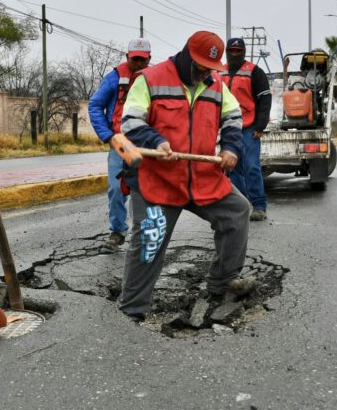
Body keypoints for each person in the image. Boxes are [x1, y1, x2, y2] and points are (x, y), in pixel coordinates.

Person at [117, 31, 255, 320]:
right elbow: (130, 122)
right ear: (187, 55)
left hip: (203, 178)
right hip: (159, 181)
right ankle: (132, 308)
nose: (206, 72)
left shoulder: (216, 85)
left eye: (211, 68)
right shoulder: (150, 80)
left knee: (238, 211)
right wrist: (156, 141)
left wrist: (231, 147)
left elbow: (232, 118)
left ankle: (222, 281)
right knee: (149, 240)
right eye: (202, 65)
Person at [88, 38, 152, 250]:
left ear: (149, 59)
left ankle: (146, 233)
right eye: (135, 59)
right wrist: (107, 135)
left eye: (143, 60)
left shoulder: (154, 79)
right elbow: (95, 105)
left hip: (146, 143)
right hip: (120, 142)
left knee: (146, 191)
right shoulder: (115, 77)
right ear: (127, 57)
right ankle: (117, 231)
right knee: (116, 189)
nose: (139, 64)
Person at [223, 37, 272, 221]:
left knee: (251, 167)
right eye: (231, 50)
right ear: (227, 51)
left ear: (243, 52)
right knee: (233, 168)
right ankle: (241, 206)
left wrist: (260, 125)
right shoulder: (219, 72)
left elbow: (265, 99)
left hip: (249, 128)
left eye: (238, 51)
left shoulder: (254, 72)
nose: (234, 54)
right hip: (228, 129)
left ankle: (259, 206)